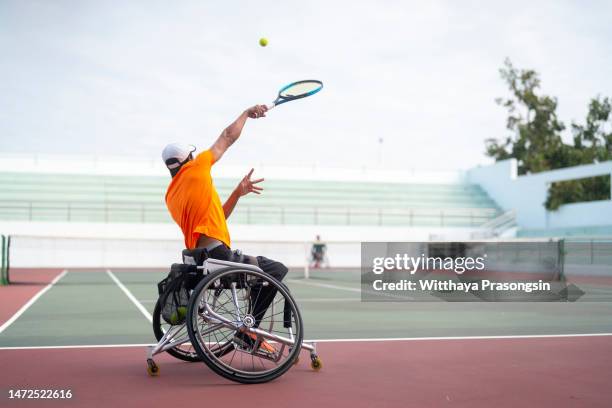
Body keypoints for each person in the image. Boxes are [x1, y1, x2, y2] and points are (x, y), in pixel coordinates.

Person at [162, 104, 285, 353]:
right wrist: (247, 114)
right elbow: (227, 137)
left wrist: (237, 193)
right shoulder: (197, 168)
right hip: (219, 256)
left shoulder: (172, 195)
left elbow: (219, 217)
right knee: (276, 270)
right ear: (189, 159)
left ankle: (248, 327)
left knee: (259, 271)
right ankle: (248, 333)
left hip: (201, 259)